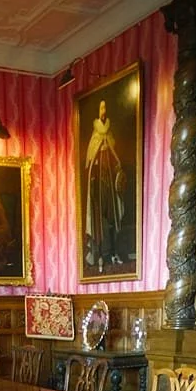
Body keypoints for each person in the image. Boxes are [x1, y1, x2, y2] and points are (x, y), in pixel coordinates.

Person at [82, 99, 124, 271]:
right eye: (101, 107)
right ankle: (99, 254)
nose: (104, 110)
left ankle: (114, 252)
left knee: (113, 218)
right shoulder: (95, 138)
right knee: (99, 222)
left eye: (106, 107)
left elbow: (116, 162)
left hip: (110, 189)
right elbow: (90, 165)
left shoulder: (110, 138)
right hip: (99, 189)